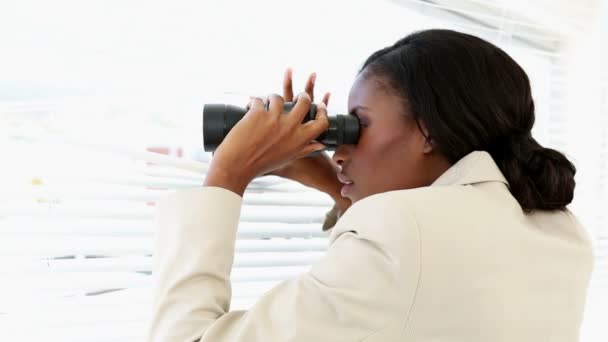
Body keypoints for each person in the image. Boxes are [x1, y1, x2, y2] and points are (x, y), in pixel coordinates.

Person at [147, 29, 594, 342]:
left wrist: (227, 176)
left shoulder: (399, 235)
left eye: (356, 126)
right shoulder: (559, 228)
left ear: (429, 132)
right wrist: (333, 184)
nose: (340, 150)